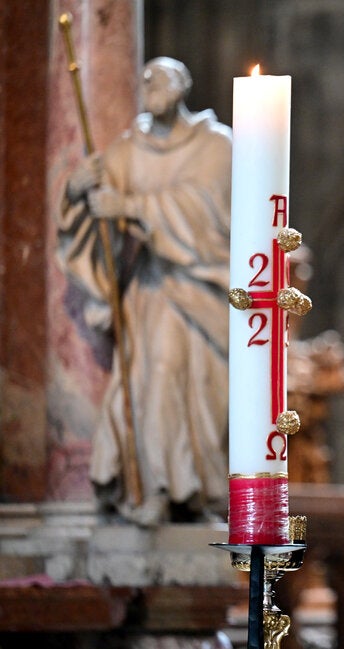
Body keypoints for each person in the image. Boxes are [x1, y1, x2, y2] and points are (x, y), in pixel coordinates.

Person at [58, 57, 232, 526]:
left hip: (200, 291)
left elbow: (204, 215)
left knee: (188, 388)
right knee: (150, 378)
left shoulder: (217, 145)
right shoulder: (127, 150)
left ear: (185, 85)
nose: (152, 84)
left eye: (164, 78)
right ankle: (156, 486)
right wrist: (76, 192)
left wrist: (131, 206)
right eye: (147, 78)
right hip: (152, 291)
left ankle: (188, 490)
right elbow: (96, 204)